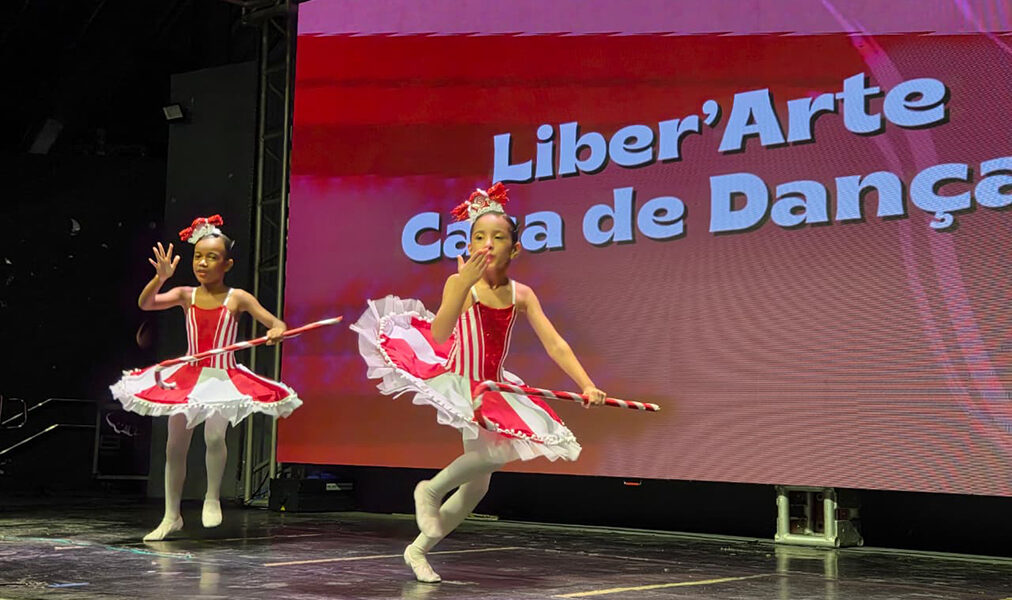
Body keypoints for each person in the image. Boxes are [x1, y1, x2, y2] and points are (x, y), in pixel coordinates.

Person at [351, 184, 605, 583]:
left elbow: (555, 343)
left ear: (515, 250)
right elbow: (439, 334)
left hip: (495, 386)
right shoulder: (462, 284)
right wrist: (458, 286)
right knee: (498, 453)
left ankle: (417, 550)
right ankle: (429, 490)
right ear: (469, 244)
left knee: (477, 489)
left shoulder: (522, 294)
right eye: (479, 237)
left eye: (498, 237)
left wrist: (587, 384)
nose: (487, 244)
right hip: (459, 378)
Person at [111, 215, 302, 541]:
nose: (203, 263)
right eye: (198, 256)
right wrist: (160, 279)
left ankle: (212, 496)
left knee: (214, 437)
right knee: (175, 446)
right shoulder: (186, 294)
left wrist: (275, 331)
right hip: (186, 377)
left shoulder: (238, 297)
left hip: (222, 376)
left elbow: (275, 323)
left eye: (212, 257)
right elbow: (147, 303)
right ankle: (172, 516)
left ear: (227, 264)